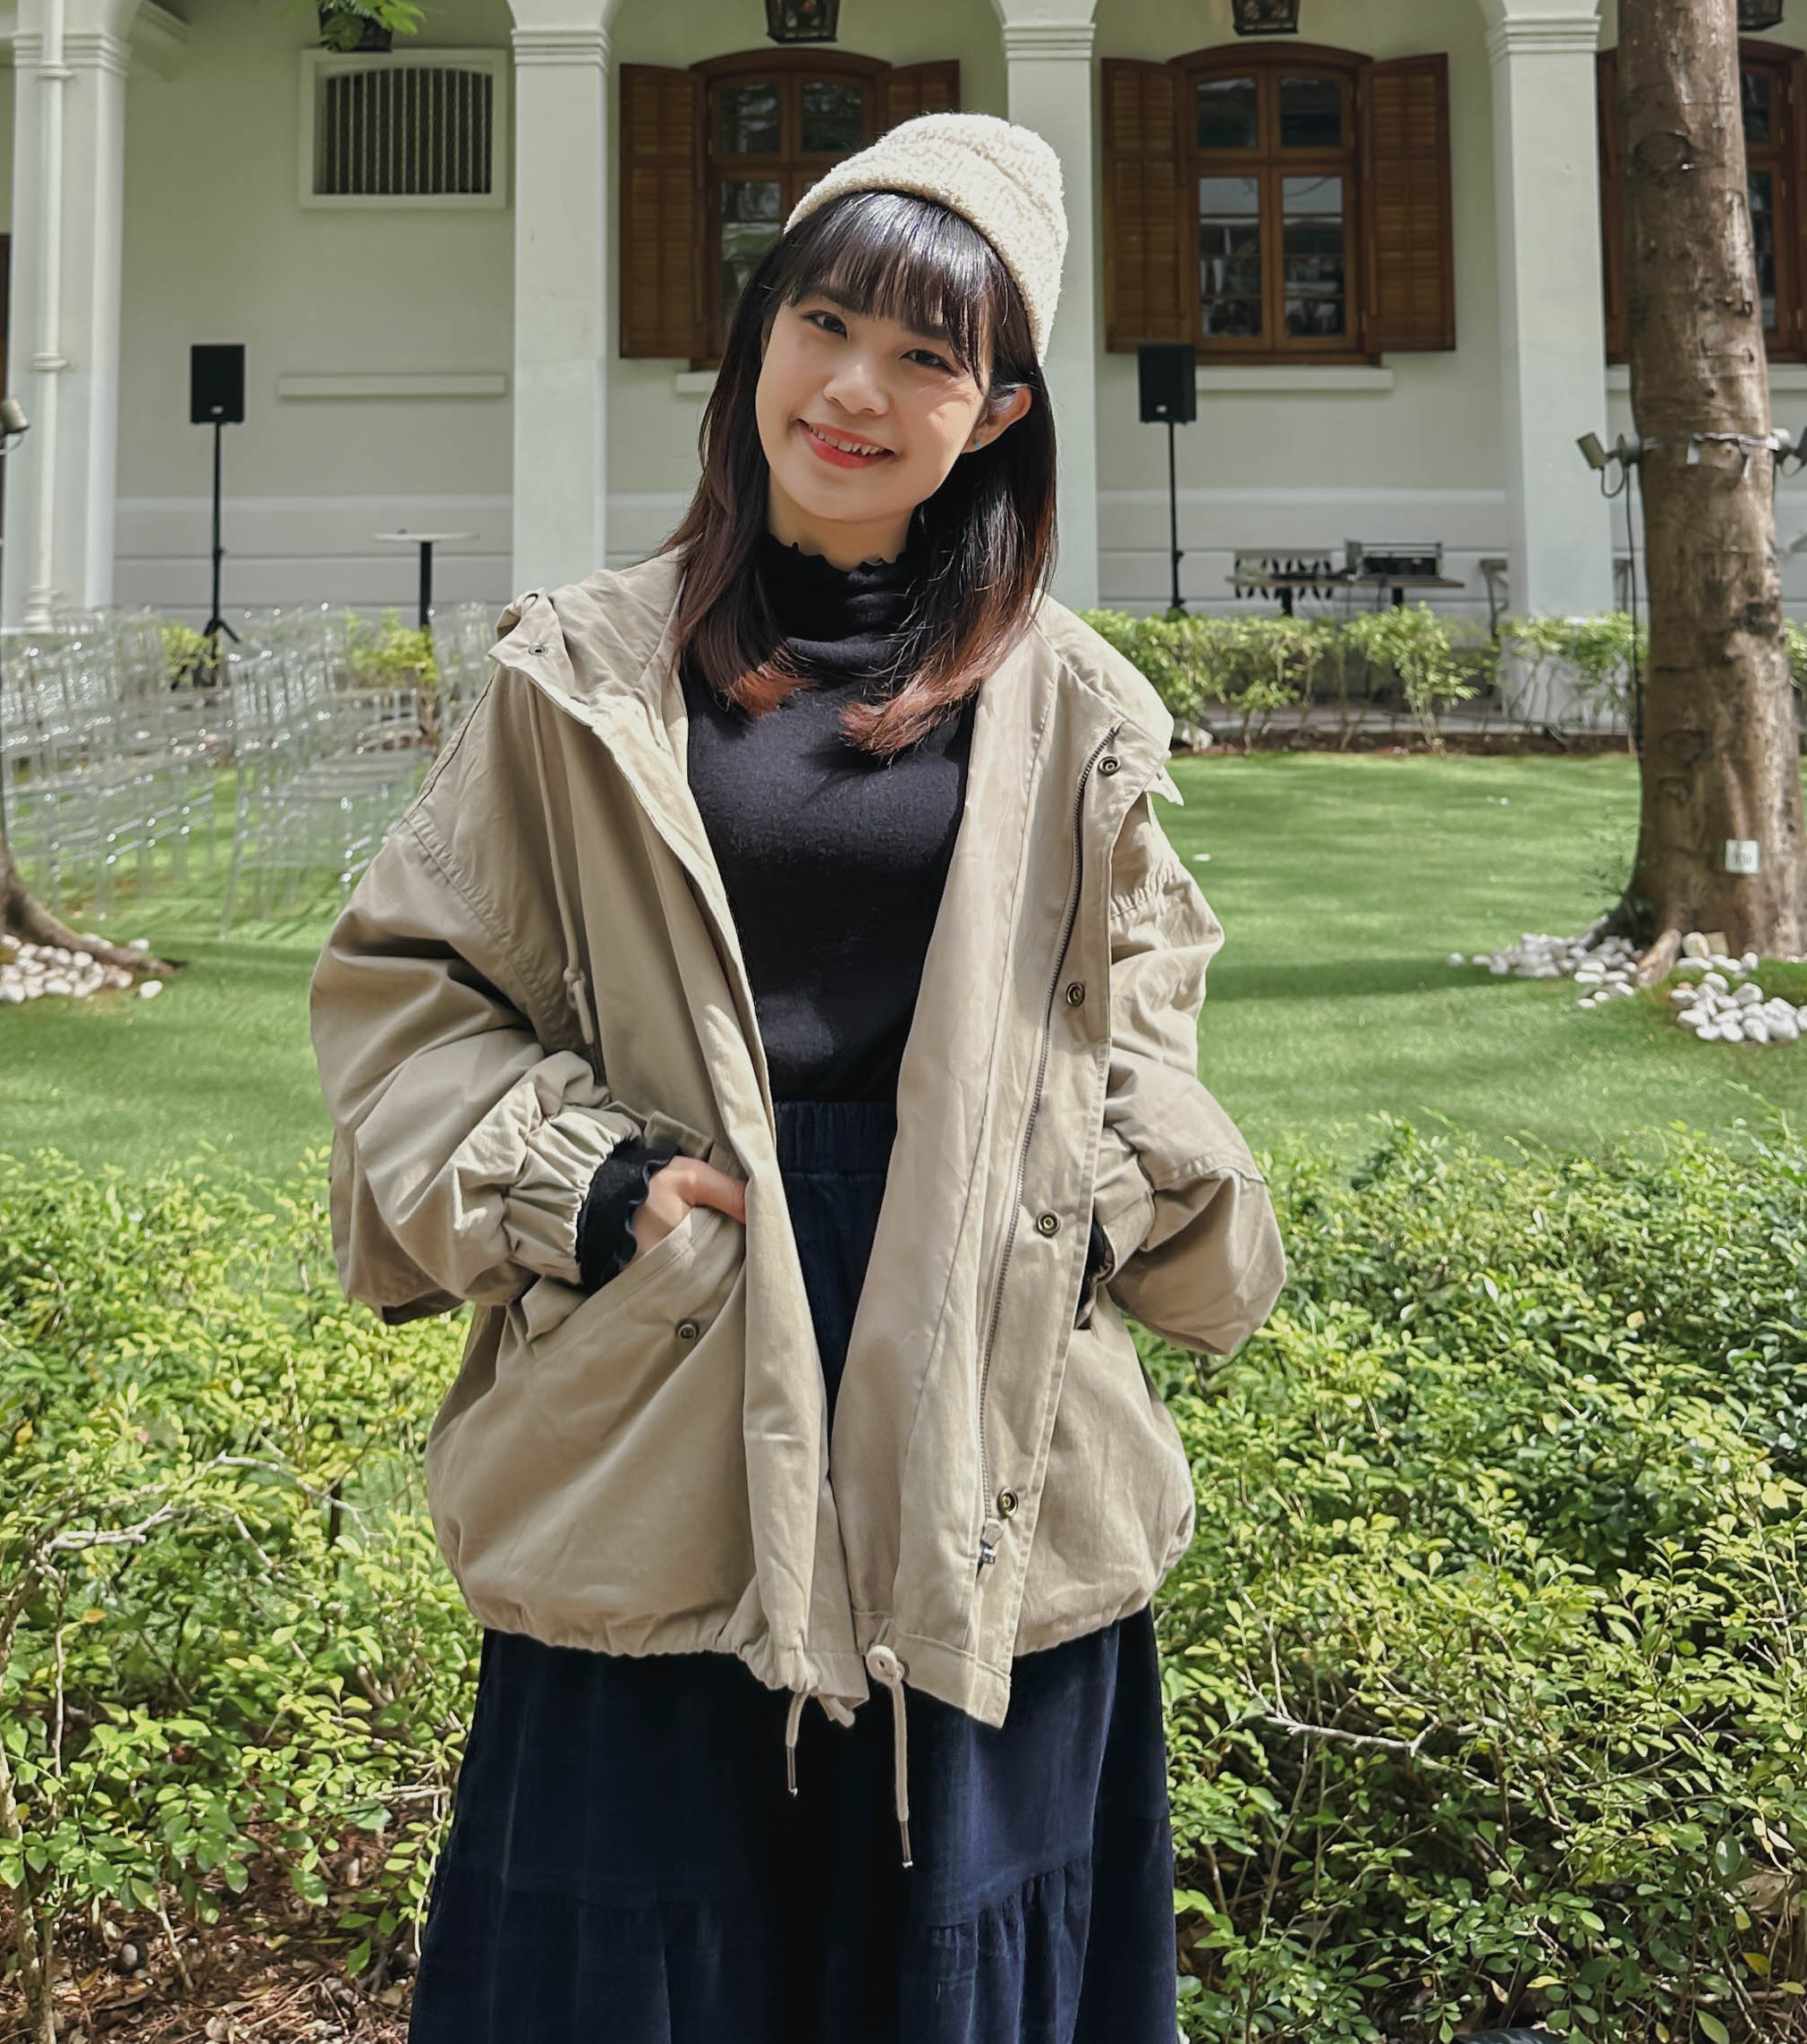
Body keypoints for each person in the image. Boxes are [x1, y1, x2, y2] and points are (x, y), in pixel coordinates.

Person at [311, 113, 1285, 2042]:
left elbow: (1143, 1007)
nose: (853, 390)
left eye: (925, 356)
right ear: (756, 335)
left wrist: (1094, 1191)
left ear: (996, 412)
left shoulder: (1071, 704)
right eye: (822, 323)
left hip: (979, 1363)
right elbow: (409, 991)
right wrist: (592, 1192)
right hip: (667, 1350)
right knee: (635, 1933)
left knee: (953, 1925)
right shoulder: (579, 675)